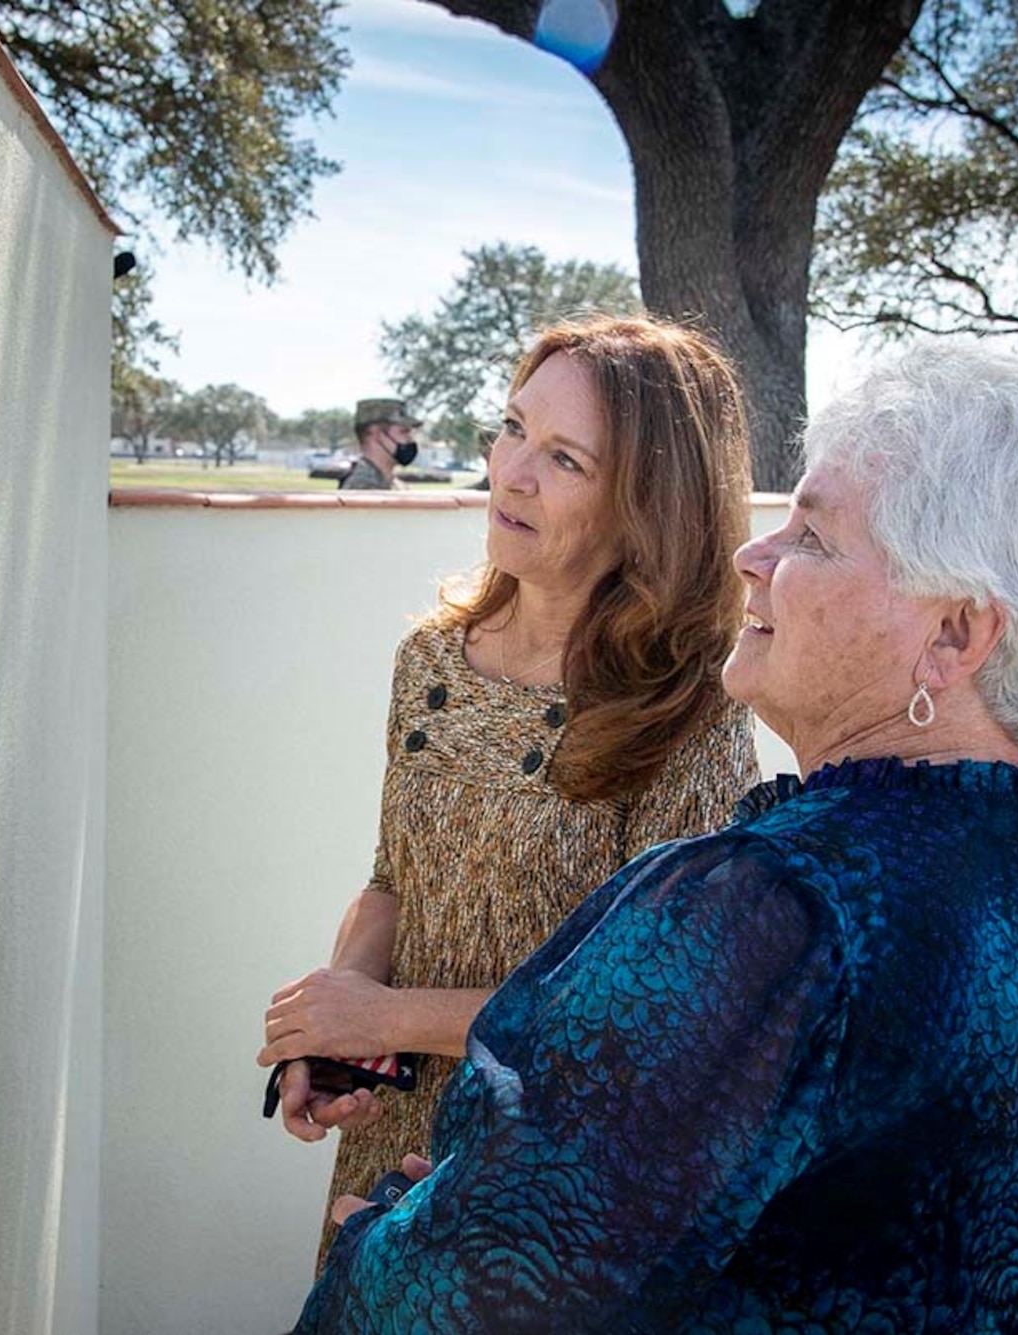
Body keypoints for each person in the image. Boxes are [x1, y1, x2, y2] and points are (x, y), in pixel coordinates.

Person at [291, 345, 1018, 1334]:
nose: (757, 555)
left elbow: (475, 1302)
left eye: (814, 536)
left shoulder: (773, 904)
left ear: (954, 636)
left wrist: (381, 1233)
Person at [259, 317, 762, 1253]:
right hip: (393, 1156)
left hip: (554, 1188)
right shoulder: (429, 659)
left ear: (649, 504)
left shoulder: (688, 712)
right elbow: (393, 880)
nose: (512, 471)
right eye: (513, 426)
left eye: (566, 459)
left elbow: (660, 1021)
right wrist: (340, 1022)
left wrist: (390, 1013)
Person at [340, 401, 421, 491]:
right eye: (404, 431)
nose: (410, 439)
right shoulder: (362, 487)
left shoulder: (395, 486)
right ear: (376, 433)